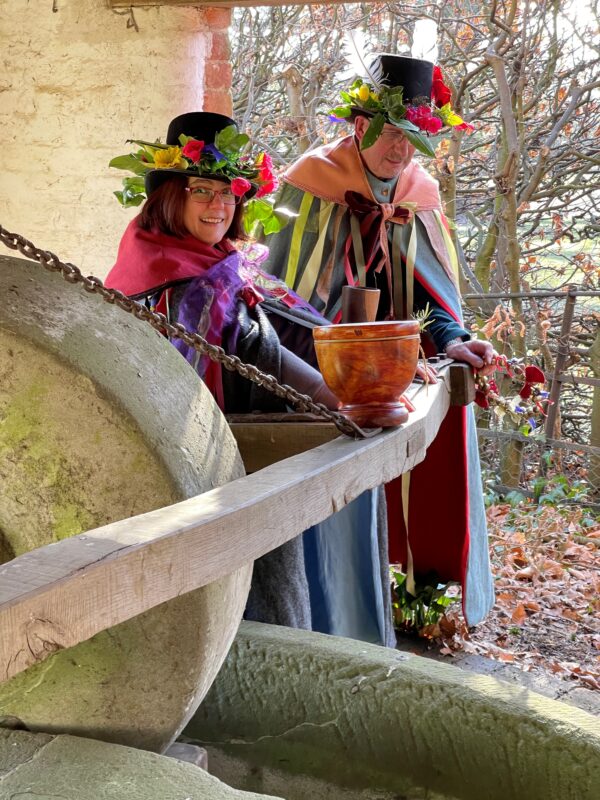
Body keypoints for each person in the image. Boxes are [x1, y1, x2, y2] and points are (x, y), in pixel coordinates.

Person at [264, 54, 496, 628]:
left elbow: (428, 296)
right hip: (319, 373)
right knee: (336, 494)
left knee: (420, 475)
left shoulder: (418, 194)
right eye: (390, 131)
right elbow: (279, 294)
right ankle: (333, 615)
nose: (400, 148)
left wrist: (453, 338)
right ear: (359, 124)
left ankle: (416, 599)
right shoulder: (309, 184)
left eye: (413, 136)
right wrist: (340, 357)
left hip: (398, 371)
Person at [105, 111, 339, 631]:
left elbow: (290, 322)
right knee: (242, 610)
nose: (221, 206)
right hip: (212, 471)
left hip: (254, 457)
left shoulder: (218, 261)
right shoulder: (167, 277)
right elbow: (251, 354)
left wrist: (367, 362)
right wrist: (332, 393)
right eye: (202, 192)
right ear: (170, 196)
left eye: (229, 193)